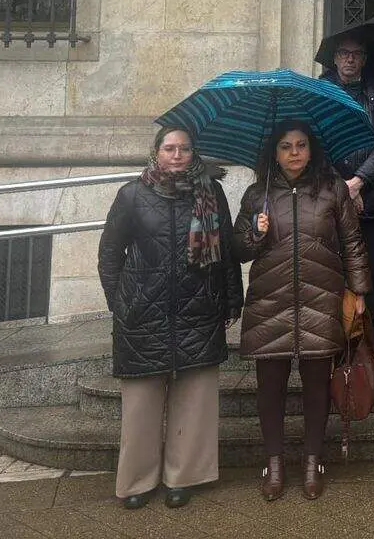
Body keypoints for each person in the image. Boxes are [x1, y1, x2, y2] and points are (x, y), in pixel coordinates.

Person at [98, 127, 243, 510]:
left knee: (195, 400)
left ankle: (185, 475)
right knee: (141, 404)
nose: (177, 155)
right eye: (170, 148)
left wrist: (232, 300)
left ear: (194, 153)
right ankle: (137, 480)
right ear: (156, 152)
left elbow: (226, 252)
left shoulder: (210, 193)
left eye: (185, 148)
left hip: (199, 309)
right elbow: (110, 253)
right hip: (142, 312)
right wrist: (120, 303)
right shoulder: (132, 195)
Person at [233, 120, 372, 501]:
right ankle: (274, 464)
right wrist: (255, 234)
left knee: (316, 385)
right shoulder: (255, 195)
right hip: (270, 300)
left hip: (320, 298)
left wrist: (359, 290)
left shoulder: (333, 190)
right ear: (274, 153)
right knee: (270, 388)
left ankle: (313, 462)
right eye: (285, 146)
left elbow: (353, 241)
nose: (294, 152)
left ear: (311, 150)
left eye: (300, 145)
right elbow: (238, 250)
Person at [319, 35, 374, 375]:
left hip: (369, 197)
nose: (350, 59)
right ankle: (332, 350)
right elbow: (313, 142)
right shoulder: (319, 92)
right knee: (328, 275)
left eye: (356, 54)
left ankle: (370, 349)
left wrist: (360, 182)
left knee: (367, 278)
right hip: (327, 199)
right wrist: (342, 188)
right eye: (343, 53)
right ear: (334, 58)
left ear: (364, 59)